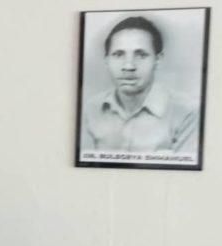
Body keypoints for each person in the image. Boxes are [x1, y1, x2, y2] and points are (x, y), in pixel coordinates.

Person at [80, 16, 199, 153]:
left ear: (158, 60)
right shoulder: (90, 110)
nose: (129, 66)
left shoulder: (186, 113)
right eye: (118, 54)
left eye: (141, 55)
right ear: (107, 60)